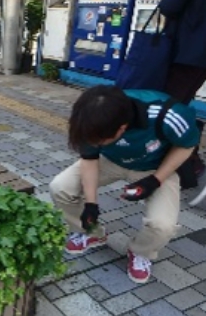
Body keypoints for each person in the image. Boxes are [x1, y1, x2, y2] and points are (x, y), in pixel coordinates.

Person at [49, 85, 199, 284]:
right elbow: (90, 160)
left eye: (101, 140)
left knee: (162, 225)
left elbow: (186, 146)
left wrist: (155, 180)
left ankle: (140, 251)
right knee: (60, 187)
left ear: (122, 128)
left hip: (156, 167)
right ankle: (91, 233)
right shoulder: (90, 118)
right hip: (111, 162)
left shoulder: (169, 114)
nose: (96, 143)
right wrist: (91, 205)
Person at [159, 0, 206, 189]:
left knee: (166, 104)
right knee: (182, 100)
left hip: (189, 47)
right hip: (200, 56)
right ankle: (189, 161)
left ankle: (180, 164)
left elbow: (171, 4)